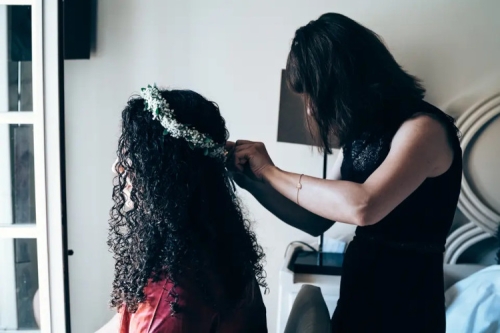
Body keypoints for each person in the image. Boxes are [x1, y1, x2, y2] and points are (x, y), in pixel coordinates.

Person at [226, 13, 462, 333]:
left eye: (312, 93)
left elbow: (363, 206)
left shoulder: (424, 129)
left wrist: (270, 169)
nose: (309, 108)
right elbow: (316, 219)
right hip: (360, 291)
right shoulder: (363, 136)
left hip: (407, 303)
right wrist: (254, 182)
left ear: (342, 81)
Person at [105, 85, 268, 333]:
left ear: (166, 175)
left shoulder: (171, 305)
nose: (118, 166)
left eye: (132, 155)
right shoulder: (217, 249)